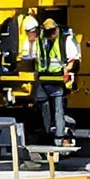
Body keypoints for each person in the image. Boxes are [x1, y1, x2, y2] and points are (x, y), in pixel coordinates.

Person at [27, 15, 80, 147]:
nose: (50, 34)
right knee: (43, 105)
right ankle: (47, 133)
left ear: (56, 30)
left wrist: (67, 72)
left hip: (57, 80)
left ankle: (59, 136)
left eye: (51, 31)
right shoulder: (39, 41)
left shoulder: (64, 40)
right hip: (43, 80)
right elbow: (33, 58)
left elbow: (72, 59)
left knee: (58, 108)